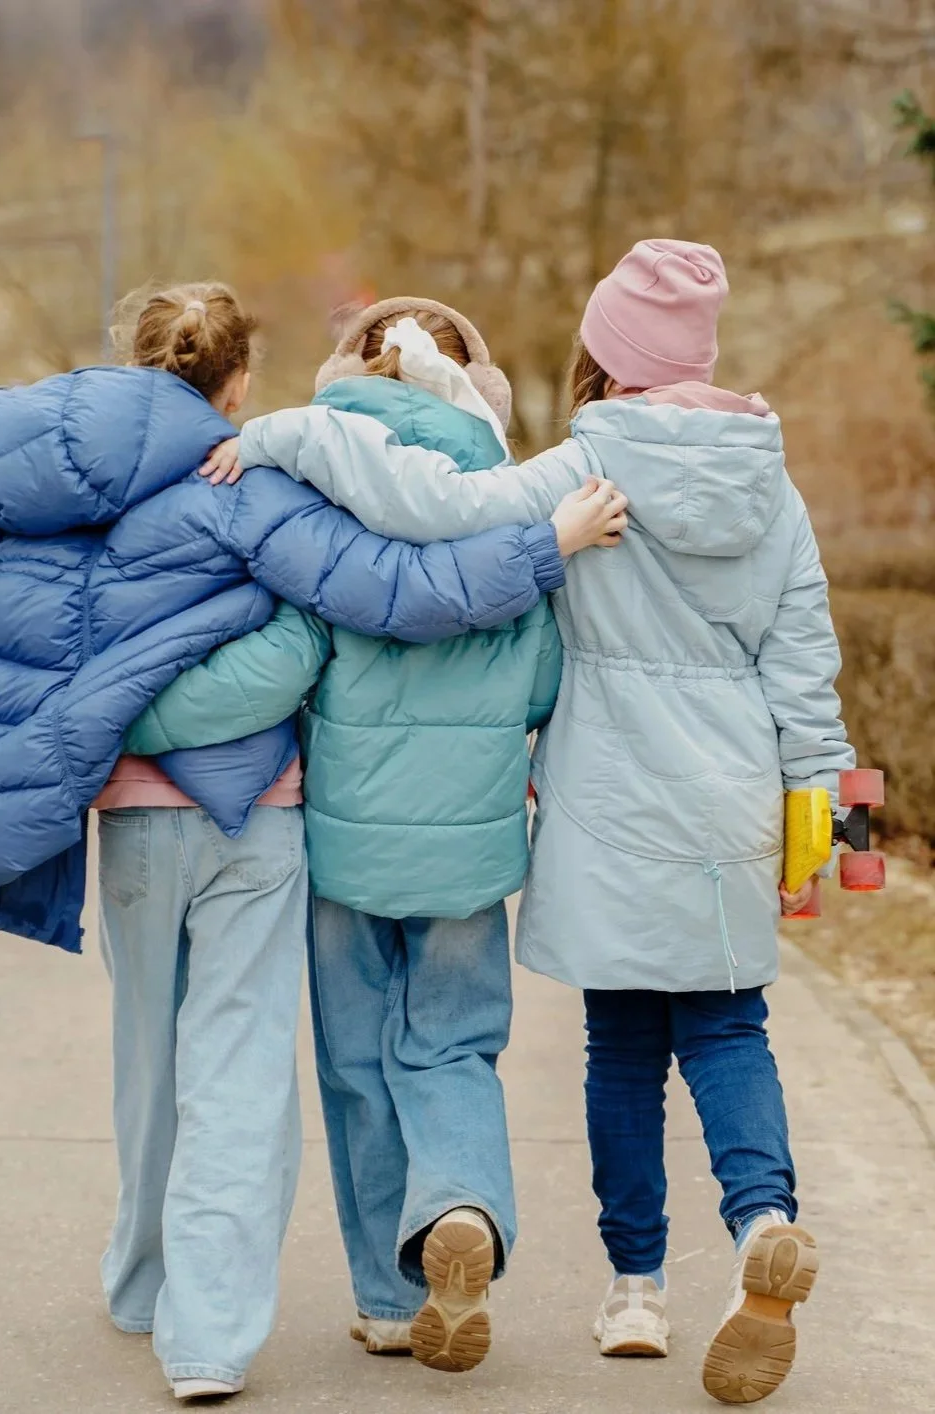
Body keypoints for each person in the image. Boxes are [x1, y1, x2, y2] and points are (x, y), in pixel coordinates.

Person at [0, 282, 621, 1403]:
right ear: (236, 383)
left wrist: (89, 727)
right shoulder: (251, 481)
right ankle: (207, 1336)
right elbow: (401, 592)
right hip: (254, 812)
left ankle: (142, 1281)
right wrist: (544, 547)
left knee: (147, 1057)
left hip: (131, 826)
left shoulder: (33, 498)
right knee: (240, 1068)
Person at [208, 242, 856, 1405]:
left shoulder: (584, 461)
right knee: (727, 1027)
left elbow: (441, 510)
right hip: (730, 791)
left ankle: (636, 1290)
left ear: (602, 356)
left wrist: (284, 432)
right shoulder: (771, 480)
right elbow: (804, 664)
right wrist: (818, 815)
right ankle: (763, 1215)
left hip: (609, 787)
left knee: (622, 1042)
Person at [125, 297, 627, 1375]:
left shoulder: (316, 491)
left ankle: (392, 1299)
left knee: (357, 1061)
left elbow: (299, 655)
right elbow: (543, 682)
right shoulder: (513, 504)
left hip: (344, 847)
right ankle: (461, 1209)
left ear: (344, 378)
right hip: (471, 849)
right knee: (449, 1042)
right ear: (475, 390)